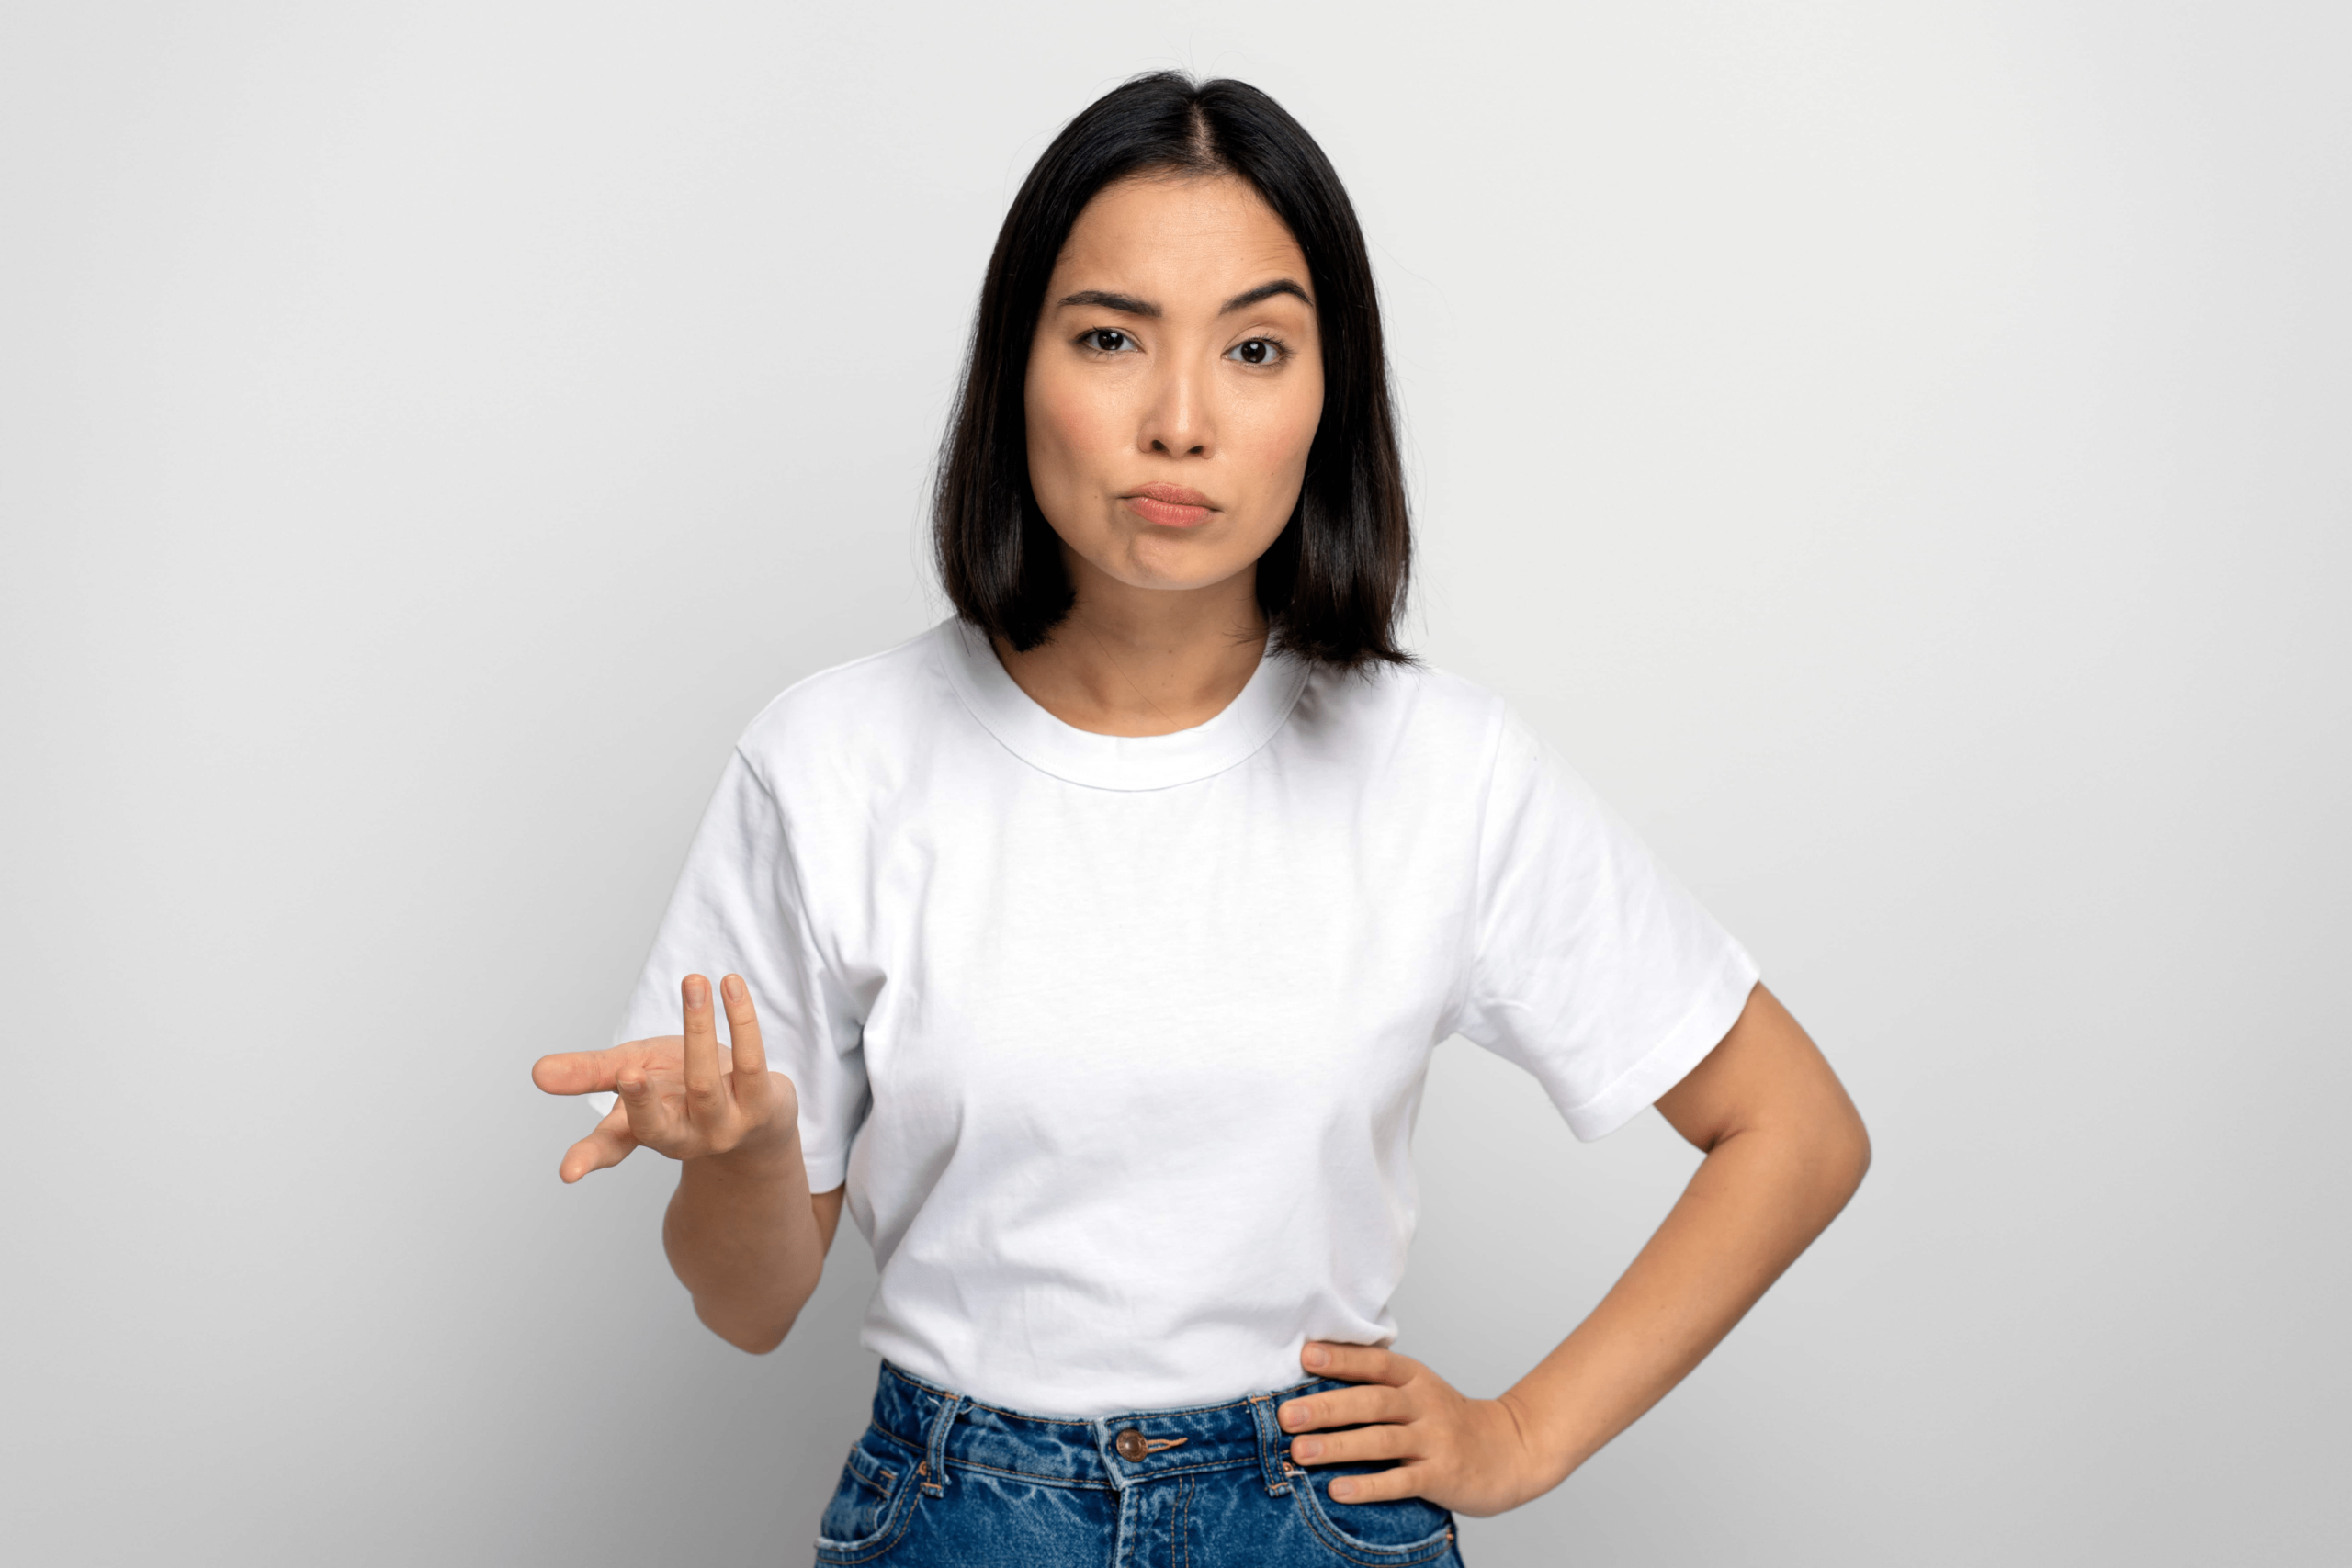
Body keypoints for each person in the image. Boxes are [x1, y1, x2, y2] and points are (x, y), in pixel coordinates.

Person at [531, 70, 1869, 1567]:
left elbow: (1795, 1129)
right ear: (1017, 369)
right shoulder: (834, 759)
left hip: (1312, 1514)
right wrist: (748, 1152)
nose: (1180, 421)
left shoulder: (1440, 765)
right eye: (1111, 337)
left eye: (1254, 347)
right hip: (960, 1516)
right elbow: (748, 1300)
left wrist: (1521, 1431)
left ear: (1327, 395)